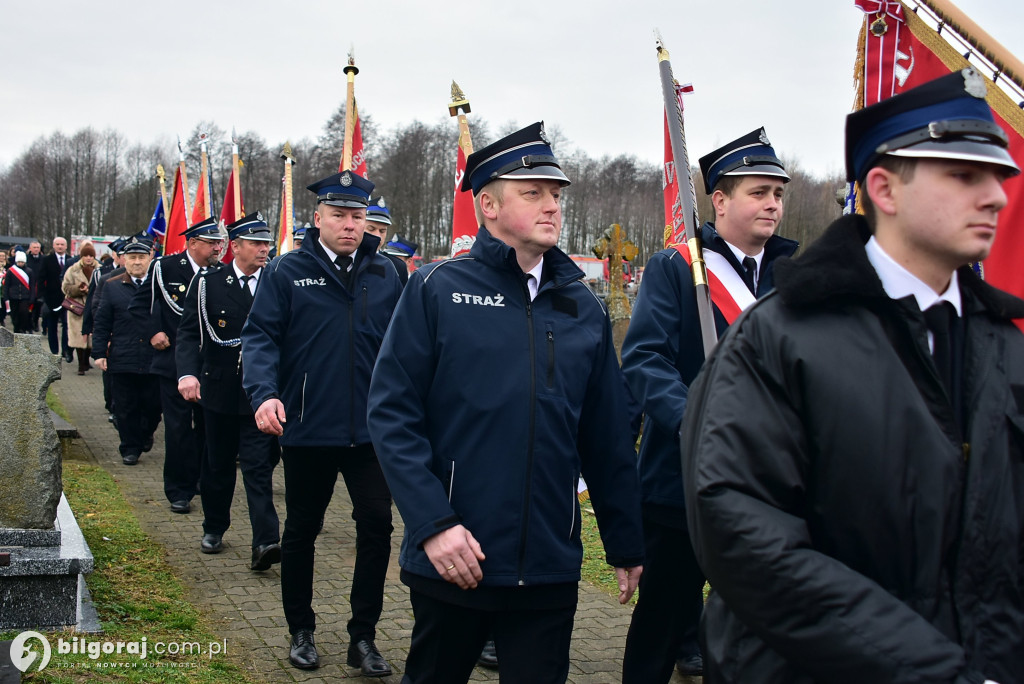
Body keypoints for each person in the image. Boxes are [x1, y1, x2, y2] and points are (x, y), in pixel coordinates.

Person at [680, 68, 1024, 683]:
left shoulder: (1003, 345)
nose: (997, 196)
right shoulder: (780, 339)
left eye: (998, 176)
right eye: (964, 175)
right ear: (884, 189)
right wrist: (932, 671)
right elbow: (747, 539)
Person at [367, 122, 645, 684]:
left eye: (557, 195)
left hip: (547, 564)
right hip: (456, 554)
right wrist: (433, 523)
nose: (552, 206)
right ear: (488, 205)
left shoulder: (582, 309)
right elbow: (392, 415)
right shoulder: (437, 289)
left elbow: (606, 438)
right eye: (533, 192)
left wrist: (624, 540)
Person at [619, 127, 797, 682]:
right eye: (759, 192)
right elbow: (646, 360)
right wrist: (698, 419)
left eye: (778, 193)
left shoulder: (793, 274)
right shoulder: (677, 268)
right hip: (683, 478)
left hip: (767, 481)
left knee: (751, 619)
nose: (772, 204)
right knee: (664, 614)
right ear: (719, 200)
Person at [242, 169, 402, 675]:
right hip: (308, 427)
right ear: (318, 219)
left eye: (358, 216)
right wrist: (264, 394)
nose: (350, 225)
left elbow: (411, 348)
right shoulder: (287, 272)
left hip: (373, 433)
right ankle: (301, 630)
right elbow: (261, 337)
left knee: (377, 527)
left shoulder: (389, 274)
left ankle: (364, 637)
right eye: (339, 215)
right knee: (302, 529)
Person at [176, 212, 281, 572]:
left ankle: (265, 541)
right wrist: (187, 374)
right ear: (234, 246)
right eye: (256, 243)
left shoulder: (277, 281)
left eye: (267, 242)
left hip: (262, 394)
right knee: (218, 465)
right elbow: (189, 333)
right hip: (219, 389)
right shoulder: (208, 283)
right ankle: (214, 527)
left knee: (258, 468)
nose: (264, 249)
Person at [132, 218, 223, 514]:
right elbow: (139, 307)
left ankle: (197, 476)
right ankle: (178, 489)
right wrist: (152, 332)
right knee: (178, 428)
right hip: (172, 363)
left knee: (207, 428)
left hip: (209, 367)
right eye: (211, 243)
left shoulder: (220, 273)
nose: (217, 248)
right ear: (192, 243)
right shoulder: (165, 268)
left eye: (219, 243)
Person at [92, 235, 162, 467]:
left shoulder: (159, 285)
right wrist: (99, 353)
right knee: (125, 406)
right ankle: (129, 447)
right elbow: (102, 322)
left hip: (154, 358)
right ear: (124, 260)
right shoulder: (112, 286)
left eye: (142, 257)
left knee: (153, 406)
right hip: (123, 356)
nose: (137, 262)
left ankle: (145, 433)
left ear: (150, 258)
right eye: (132, 258)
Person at [62, 242, 98, 375]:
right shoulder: (73, 270)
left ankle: (86, 361)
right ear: (81, 256)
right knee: (78, 336)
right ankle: (81, 365)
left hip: (93, 307)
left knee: (90, 337)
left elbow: (105, 286)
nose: (88, 258)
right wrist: (78, 289)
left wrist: (91, 290)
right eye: (86, 255)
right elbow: (65, 287)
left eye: (91, 256)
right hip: (77, 308)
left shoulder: (99, 269)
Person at [40, 236, 74, 360]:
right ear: (54, 246)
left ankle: (66, 349)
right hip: (51, 299)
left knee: (67, 325)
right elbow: (41, 279)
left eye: (62, 244)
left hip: (68, 299)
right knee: (52, 325)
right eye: (57, 244)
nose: (60, 246)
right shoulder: (47, 260)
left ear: (66, 246)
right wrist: (43, 297)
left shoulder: (71, 260)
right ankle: (54, 350)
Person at [366, 197, 410, 286]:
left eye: (382, 231)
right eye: (371, 229)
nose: (377, 236)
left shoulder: (397, 266)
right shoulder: (345, 261)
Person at [3, 250, 35, 333]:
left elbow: (32, 285)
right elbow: (6, 285)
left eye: (22, 262)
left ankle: (22, 329)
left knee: (24, 314)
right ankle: (16, 329)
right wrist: (6, 296)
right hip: (13, 296)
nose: (20, 263)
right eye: (19, 262)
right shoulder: (11, 271)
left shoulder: (29, 271)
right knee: (14, 315)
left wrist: (32, 297)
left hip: (25, 297)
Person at [24, 240, 44, 332]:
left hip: (40, 286)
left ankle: (36, 322)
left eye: (37, 248)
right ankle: (29, 323)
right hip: (28, 285)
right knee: (29, 306)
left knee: (38, 306)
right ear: (30, 248)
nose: (36, 249)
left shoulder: (44, 259)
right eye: (34, 247)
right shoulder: (26, 259)